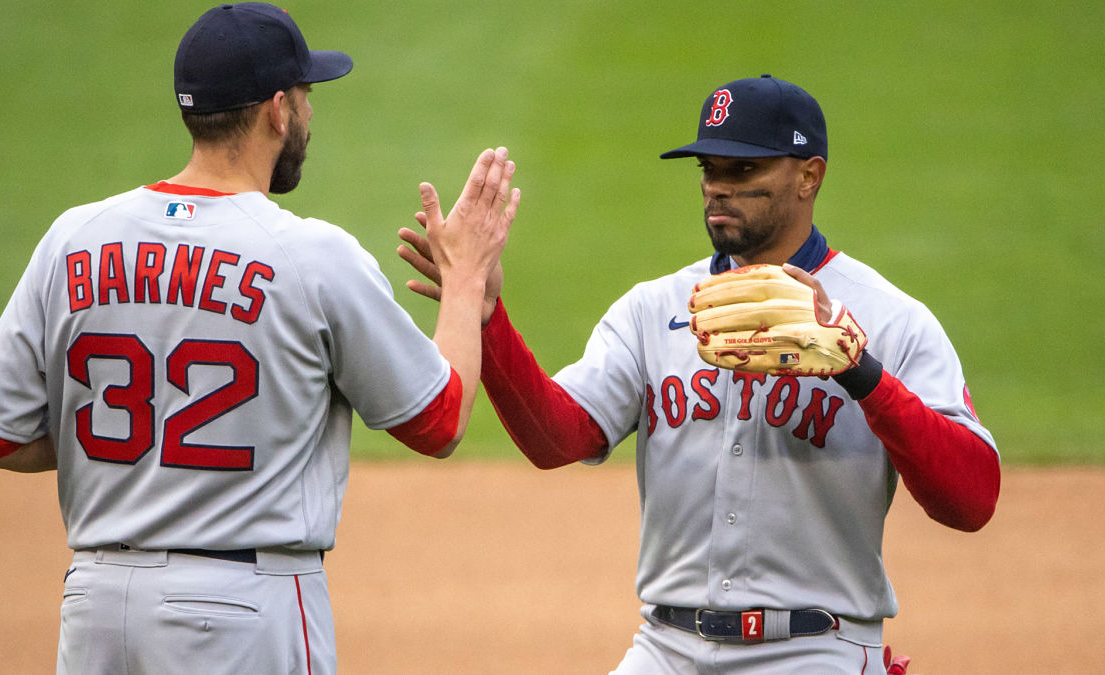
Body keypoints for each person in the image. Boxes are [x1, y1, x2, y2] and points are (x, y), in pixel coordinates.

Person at [0, 3, 519, 674]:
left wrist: (146, 448)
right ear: (277, 111)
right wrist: (464, 281)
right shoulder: (310, 255)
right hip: (241, 611)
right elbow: (441, 420)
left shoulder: (73, 238)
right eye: (307, 96)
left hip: (96, 606)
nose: (311, 113)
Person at [398, 74, 999, 673]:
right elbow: (557, 438)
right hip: (666, 648)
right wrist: (485, 317)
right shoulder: (653, 308)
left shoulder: (888, 318)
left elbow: (972, 499)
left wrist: (859, 371)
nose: (717, 189)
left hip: (814, 651)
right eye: (709, 170)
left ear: (809, 176)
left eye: (743, 172)